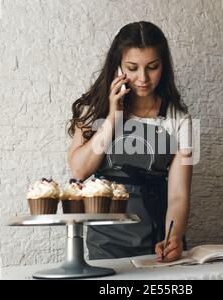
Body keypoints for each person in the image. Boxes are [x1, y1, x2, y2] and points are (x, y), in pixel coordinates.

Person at [67, 21, 193, 262]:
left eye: (152, 67)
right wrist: (114, 117)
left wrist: (173, 237)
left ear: (164, 67)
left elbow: (179, 195)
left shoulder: (180, 119)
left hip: (157, 235)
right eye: (132, 68)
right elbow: (79, 170)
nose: (143, 78)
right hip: (106, 240)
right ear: (117, 66)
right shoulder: (92, 110)